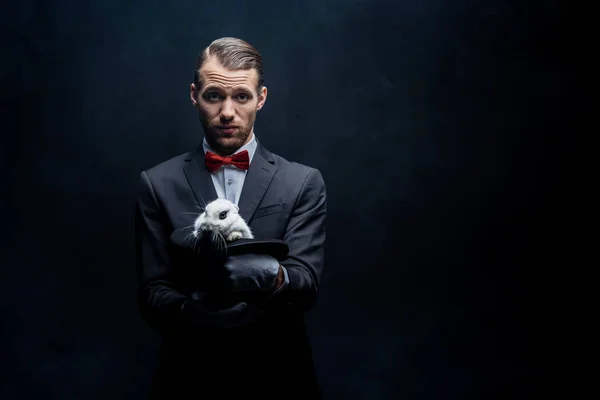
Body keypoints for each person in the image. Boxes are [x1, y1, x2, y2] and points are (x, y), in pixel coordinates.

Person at [134, 37, 327, 399]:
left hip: (281, 378)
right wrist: (198, 314)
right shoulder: (156, 183)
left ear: (262, 98)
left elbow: (306, 285)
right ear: (194, 95)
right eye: (213, 96)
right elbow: (151, 293)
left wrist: (273, 276)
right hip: (188, 378)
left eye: (241, 96)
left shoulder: (302, 182)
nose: (227, 112)